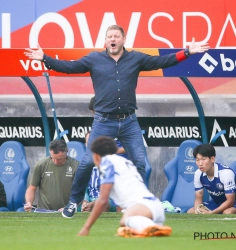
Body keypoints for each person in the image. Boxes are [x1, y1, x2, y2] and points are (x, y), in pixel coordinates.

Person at [24, 24, 210, 218]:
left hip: (129, 121)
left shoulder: (136, 58)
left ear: (123, 39)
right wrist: (45, 59)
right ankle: (73, 202)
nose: (112, 39)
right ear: (105, 41)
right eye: (109, 36)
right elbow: (69, 67)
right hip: (103, 121)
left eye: (116, 36)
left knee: (139, 162)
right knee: (87, 163)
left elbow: (162, 61)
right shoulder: (94, 59)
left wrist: (187, 52)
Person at [78, 136, 171, 237]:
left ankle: (150, 226)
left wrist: (86, 227)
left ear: (95, 155)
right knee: (123, 224)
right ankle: (151, 227)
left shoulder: (107, 163)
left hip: (143, 207)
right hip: (155, 208)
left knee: (125, 219)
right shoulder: (125, 162)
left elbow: (103, 200)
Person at [24, 139, 79, 212]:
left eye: (59, 159)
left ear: (66, 152)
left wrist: (69, 207)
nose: (56, 161)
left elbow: (79, 192)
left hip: (66, 211)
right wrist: (29, 203)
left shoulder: (75, 166)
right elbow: (31, 188)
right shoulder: (41, 165)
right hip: (43, 211)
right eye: (53, 158)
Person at [187, 144, 236, 214]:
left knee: (227, 212)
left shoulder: (225, 173)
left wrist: (212, 213)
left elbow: (230, 201)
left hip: (233, 203)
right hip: (216, 203)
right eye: (197, 160)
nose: (200, 163)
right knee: (191, 211)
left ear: (212, 159)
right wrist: (197, 212)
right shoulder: (198, 174)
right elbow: (198, 197)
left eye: (203, 159)